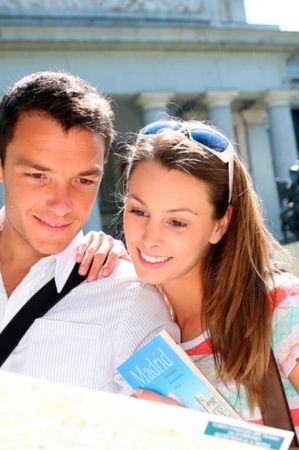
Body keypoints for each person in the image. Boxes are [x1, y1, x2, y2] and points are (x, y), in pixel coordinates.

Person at [117, 119, 299, 449]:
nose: (149, 238)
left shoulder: (281, 308)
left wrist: (200, 436)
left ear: (220, 224)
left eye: (177, 221)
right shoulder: (132, 313)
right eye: (138, 211)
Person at [0, 71, 179, 394]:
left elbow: (176, 434)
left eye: (83, 181)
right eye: (38, 175)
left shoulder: (130, 298)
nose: (61, 205)